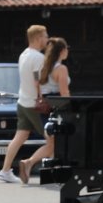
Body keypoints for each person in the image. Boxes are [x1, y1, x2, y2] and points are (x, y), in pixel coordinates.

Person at [0, 24, 49, 183]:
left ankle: (5, 171)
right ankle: (30, 163)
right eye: (45, 36)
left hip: (22, 102)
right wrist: (43, 99)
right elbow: (37, 81)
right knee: (54, 141)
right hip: (35, 105)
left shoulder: (23, 55)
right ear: (38, 38)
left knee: (20, 137)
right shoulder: (38, 58)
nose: (47, 39)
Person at [18, 36, 71, 184]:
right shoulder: (61, 69)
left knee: (53, 143)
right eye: (67, 49)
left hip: (44, 108)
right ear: (62, 51)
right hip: (58, 108)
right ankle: (30, 162)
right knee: (57, 143)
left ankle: (49, 170)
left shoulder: (44, 68)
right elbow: (64, 93)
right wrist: (71, 109)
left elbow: (38, 87)